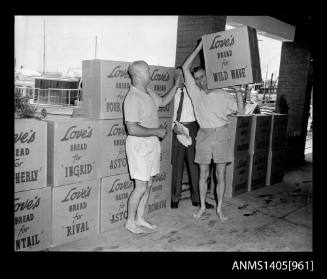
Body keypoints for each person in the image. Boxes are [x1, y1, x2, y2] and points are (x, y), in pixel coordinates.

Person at [182, 39, 245, 221]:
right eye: (197, 79)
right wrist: (199, 48)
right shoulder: (195, 93)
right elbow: (185, 67)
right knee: (203, 174)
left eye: (202, 77)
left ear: (209, 76)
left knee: (220, 174)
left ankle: (219, 208)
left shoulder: (223, 94)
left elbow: (240, 112)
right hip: (203, 135)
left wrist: (238, 91)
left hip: (221, 134)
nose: (200, 81)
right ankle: (202, 206)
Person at [123, 60, 180, 234]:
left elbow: (162, 102)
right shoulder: (132, 98)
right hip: (139, 146)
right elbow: (132, 129)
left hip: (150, 143)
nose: (151, 72)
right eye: (147, 70)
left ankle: (140, 218)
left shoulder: (147, 90)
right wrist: (156, 130)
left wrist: (177, 84)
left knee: (148, 184)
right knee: (140, 187)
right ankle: (130, 222)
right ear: (139, 75)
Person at [171, 67, 214, 210]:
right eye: (177, 76)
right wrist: (173, 126)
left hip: (193, 129)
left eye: (183, 76)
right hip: (177, 129)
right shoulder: (171, 94)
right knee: (176, 167)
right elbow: (166, 112)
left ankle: (198, 199)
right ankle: (174, 199)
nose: (181, 79)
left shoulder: (195, 93)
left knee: (195, 166)